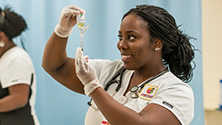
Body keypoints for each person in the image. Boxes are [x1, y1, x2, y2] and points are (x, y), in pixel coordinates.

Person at [42, 5, 195, 125]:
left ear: (156, 43)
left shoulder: (177, 91)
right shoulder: (111, 71)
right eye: (120, 37)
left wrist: (93, 87)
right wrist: (62, 31)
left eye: (132, 37)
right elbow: (56, 66)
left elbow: (140, 123)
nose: (121, 44)